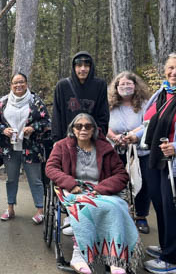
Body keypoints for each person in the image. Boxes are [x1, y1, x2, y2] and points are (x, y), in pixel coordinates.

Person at [125, 52, 176, 274]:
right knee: (161, 206)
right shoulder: (163, 92)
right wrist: (136, 136)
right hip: (155, 159)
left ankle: (175, 260)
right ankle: (168, 246)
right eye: (171, 68)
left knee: (173, 209)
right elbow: (149, 124)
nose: (174, 72)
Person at [46, 114, 138, 274]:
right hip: (74, 189)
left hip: (100, 189)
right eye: (79, 126)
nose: (83, 129)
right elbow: (51, 168)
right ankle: (79, 255)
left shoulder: (106, 148)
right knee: (86, 208)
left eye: (88, 126)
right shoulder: (62, 146)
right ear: (72, 129)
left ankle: (115, 259)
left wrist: (101, 188)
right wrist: (70, 183)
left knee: (117, 207)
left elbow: (121, 175)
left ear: (94, 129)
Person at [0, 73, 50, 224]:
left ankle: (40, 210)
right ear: (11, 85)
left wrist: (33, 128)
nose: (19, 85)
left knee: (35, 180)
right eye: (15, 83)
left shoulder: (35, 101)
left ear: (26, 83)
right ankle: (10, 208)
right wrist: (3, 130)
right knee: (11, 179)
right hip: (9, 148)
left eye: (22, 82)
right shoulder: (3, 101)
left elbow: (47, 121)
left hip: (31, 148)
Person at [106, 71, 152, 234]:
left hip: (140, 151)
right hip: (116, 149)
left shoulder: (145, 103)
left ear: (135, 85)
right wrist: (115, 137)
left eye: (129, 83)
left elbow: (147, 122)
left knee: (142, 183)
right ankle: (119, 213)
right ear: (116, 87)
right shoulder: (110, 104)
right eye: (122, 84)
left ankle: (141, 216)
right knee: (117, 181)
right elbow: (105, 124)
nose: (125, 87)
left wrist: (132, 135)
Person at [52, 51, 109, 142]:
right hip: (67, 140)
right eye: (79, 65)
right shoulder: (63, 86)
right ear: (74, 67)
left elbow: (103, 115)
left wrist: (99, 138)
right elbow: (57, 116)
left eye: (86, 66)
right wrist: (57, 140)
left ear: (91, 67)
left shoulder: (100, 86)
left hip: (92, 140)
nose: (83, 69)